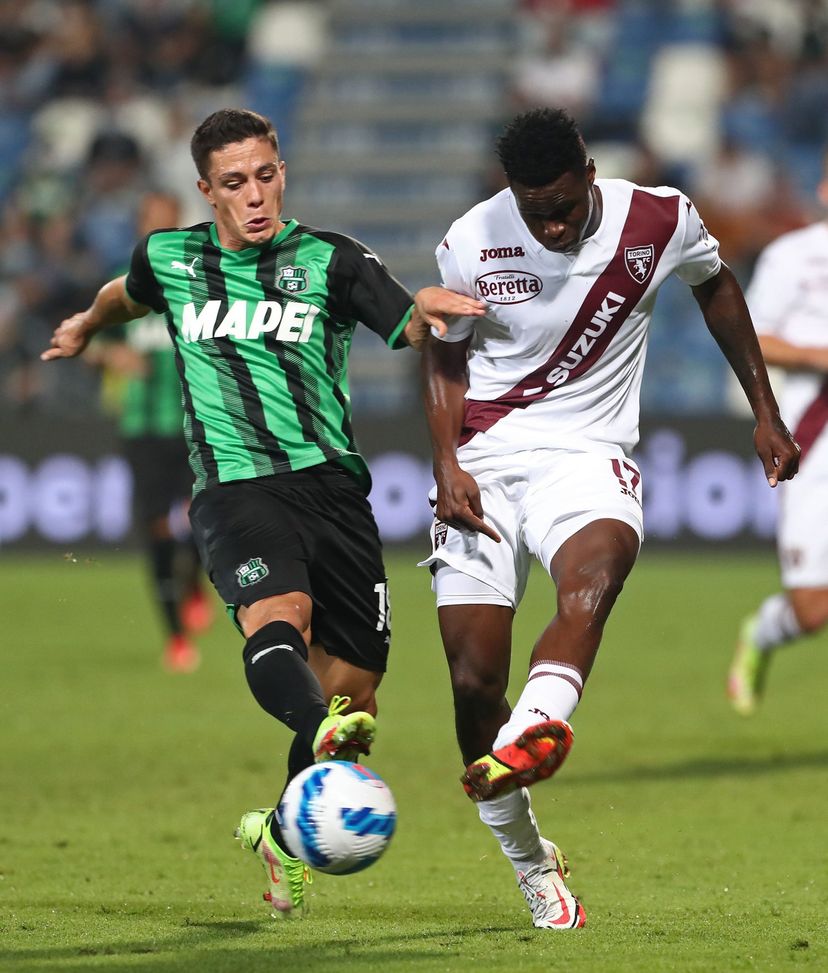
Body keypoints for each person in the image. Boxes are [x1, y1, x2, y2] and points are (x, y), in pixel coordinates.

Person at [42, 108, 484, 918]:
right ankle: (319, 729)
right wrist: (86, 324)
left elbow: (409, 322)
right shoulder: (169, 258)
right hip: (234, 486)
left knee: (357, 691)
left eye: (266, 175)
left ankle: (284, 829)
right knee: (279, 616)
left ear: (282, 170)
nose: (256, 196)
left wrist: (424, 310)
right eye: (236, 183)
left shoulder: (331, 259)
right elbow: (124, 292)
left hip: (334, 490)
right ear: (205, 191)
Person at [415, 107, 800, 930]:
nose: (550, 224)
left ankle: (542, 723)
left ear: (590, 175)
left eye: (562, 205)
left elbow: (718, 286)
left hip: (588, 452)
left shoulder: (659, 219)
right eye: (534, 208)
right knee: (474, 680)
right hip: (483, 456)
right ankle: (529, 856)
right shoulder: (471, 239)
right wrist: (446, 465)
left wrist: (762, 410)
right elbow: (444, 351)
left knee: (593, 575)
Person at [89, 190, 211, 673]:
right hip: (141, 428)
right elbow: (91, 337)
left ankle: (196, 581)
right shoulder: (122, 283)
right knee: (157, 526)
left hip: (195, 423)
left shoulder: (199, 279)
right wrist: (110, 355)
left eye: (168, 222)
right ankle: (176, 636)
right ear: (140, 225)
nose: (159, 230)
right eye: (152, 222)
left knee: (203, 516)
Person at [727, 159, 828, 716]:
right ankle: (761, 634)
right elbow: (753, 338)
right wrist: (818, 355)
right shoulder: (794, 256)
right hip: (816, 443)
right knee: (812, 610)